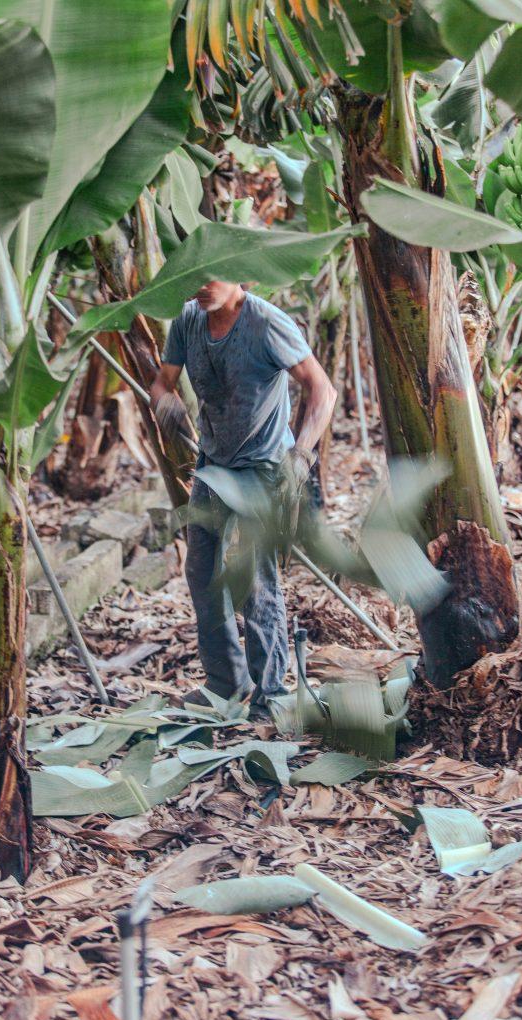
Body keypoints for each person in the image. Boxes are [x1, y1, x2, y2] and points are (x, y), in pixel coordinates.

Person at [150, 281, 336, 707]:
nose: (199, 284)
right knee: (202, 573)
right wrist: (163, 402)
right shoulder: (188, 319)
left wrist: (302, 456)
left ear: (241, 276)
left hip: (263, 467)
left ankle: (270, 693)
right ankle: (226, 682)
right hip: (212, 465)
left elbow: (323, 390)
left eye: (212, 274)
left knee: (254, 578)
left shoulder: (267, 323)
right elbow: (163, 381)